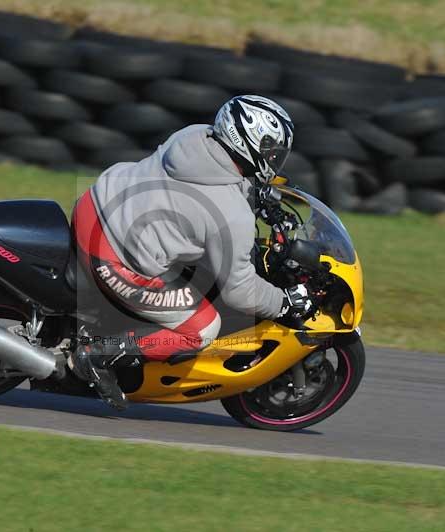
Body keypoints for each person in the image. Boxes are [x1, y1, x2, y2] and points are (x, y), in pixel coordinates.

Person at [70, 94, 314, 409]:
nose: (274, 158)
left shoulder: (193, 136)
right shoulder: (231, 215)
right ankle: (98, 354)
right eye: (270, 149)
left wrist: (257, 195)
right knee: (202, 328)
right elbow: (239, 291)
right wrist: (282, 304)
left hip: (94, 204)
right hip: (111, 258)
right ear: (245, 141)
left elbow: (212, 183)